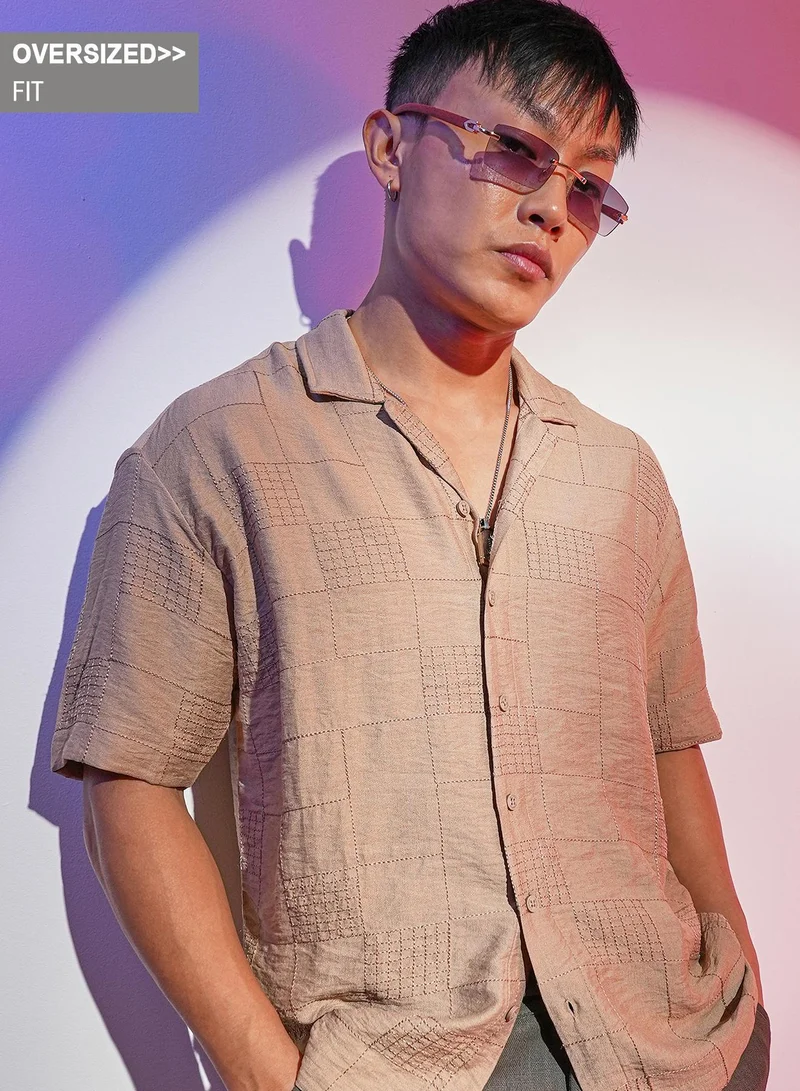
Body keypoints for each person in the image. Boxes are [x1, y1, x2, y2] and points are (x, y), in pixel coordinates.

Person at [51, 1, 771, 1089]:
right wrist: (265, 1071)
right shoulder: (218, 449)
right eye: (515, 148)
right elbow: (130, 776)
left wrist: (739, 996)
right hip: (388, 1061)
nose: (550, 208)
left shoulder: (618, 474)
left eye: (587, 187)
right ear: (391, 148)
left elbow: (669, 747)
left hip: (660, 1047)